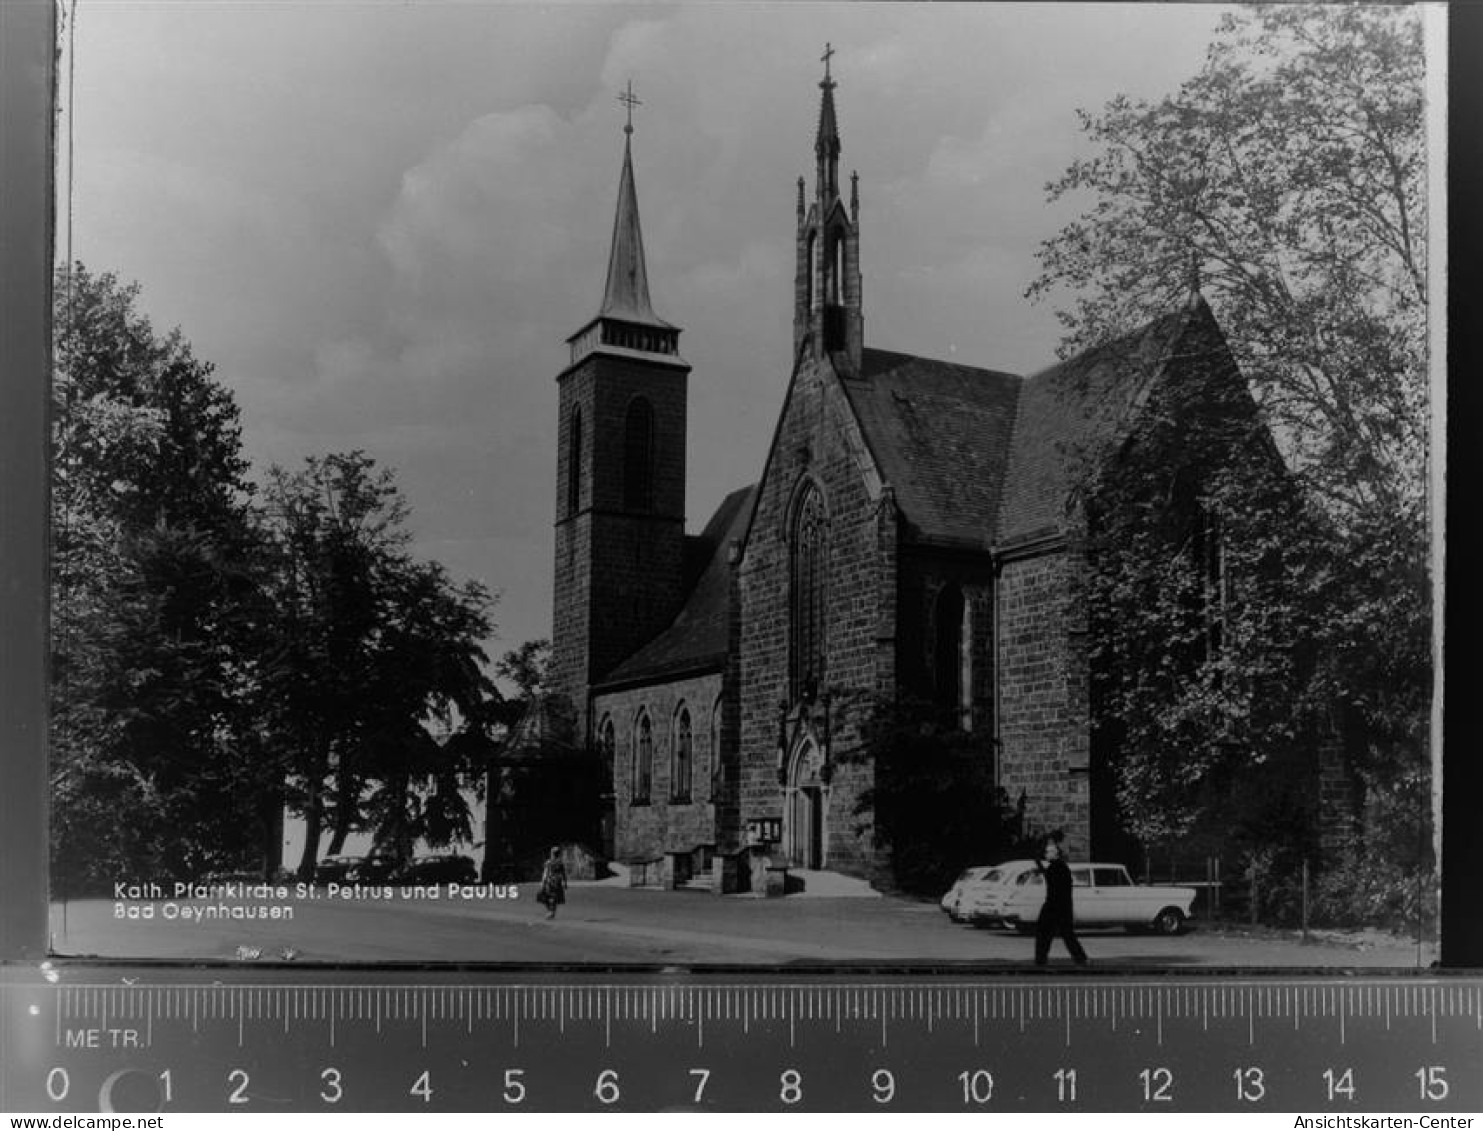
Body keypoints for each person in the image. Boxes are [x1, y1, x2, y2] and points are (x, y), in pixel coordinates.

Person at [1034, 830, 1089, 966]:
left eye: (1048, 853)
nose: (1046, 855)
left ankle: (1041, 959)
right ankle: (1080, 958)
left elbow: (1051, 880)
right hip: (1062, 906)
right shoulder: (1060, 866)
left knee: (1044, 933)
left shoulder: (1056, 867)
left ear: (1054, 854)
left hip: (1054, 905)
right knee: (1066, 934)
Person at [537, 846, 567, 920]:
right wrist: (565, 883)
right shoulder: (560, 863)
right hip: (558, 882)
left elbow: (545, 874)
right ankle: (551, 912)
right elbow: (563, 874)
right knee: (554, 898)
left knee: (542, 896)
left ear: (552, 853)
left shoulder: (548, 863)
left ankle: (551, 911)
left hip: (550, 882)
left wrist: (542, 883)